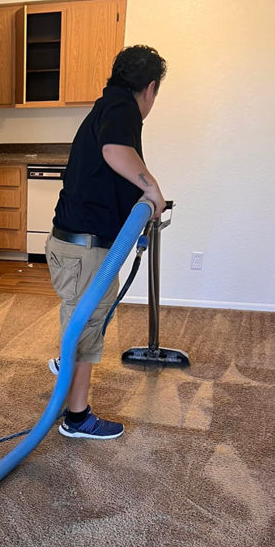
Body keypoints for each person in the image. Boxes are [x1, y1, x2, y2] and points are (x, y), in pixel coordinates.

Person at [46, 45, 167, 440]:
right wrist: (152, 191)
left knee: (82, 324)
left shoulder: (106, 105)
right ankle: (76, 419)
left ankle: (67, 359)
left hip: (80, 246)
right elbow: (115, 151)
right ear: (149, 88)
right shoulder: (123, 109)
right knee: (86, 326)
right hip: (85, 249)